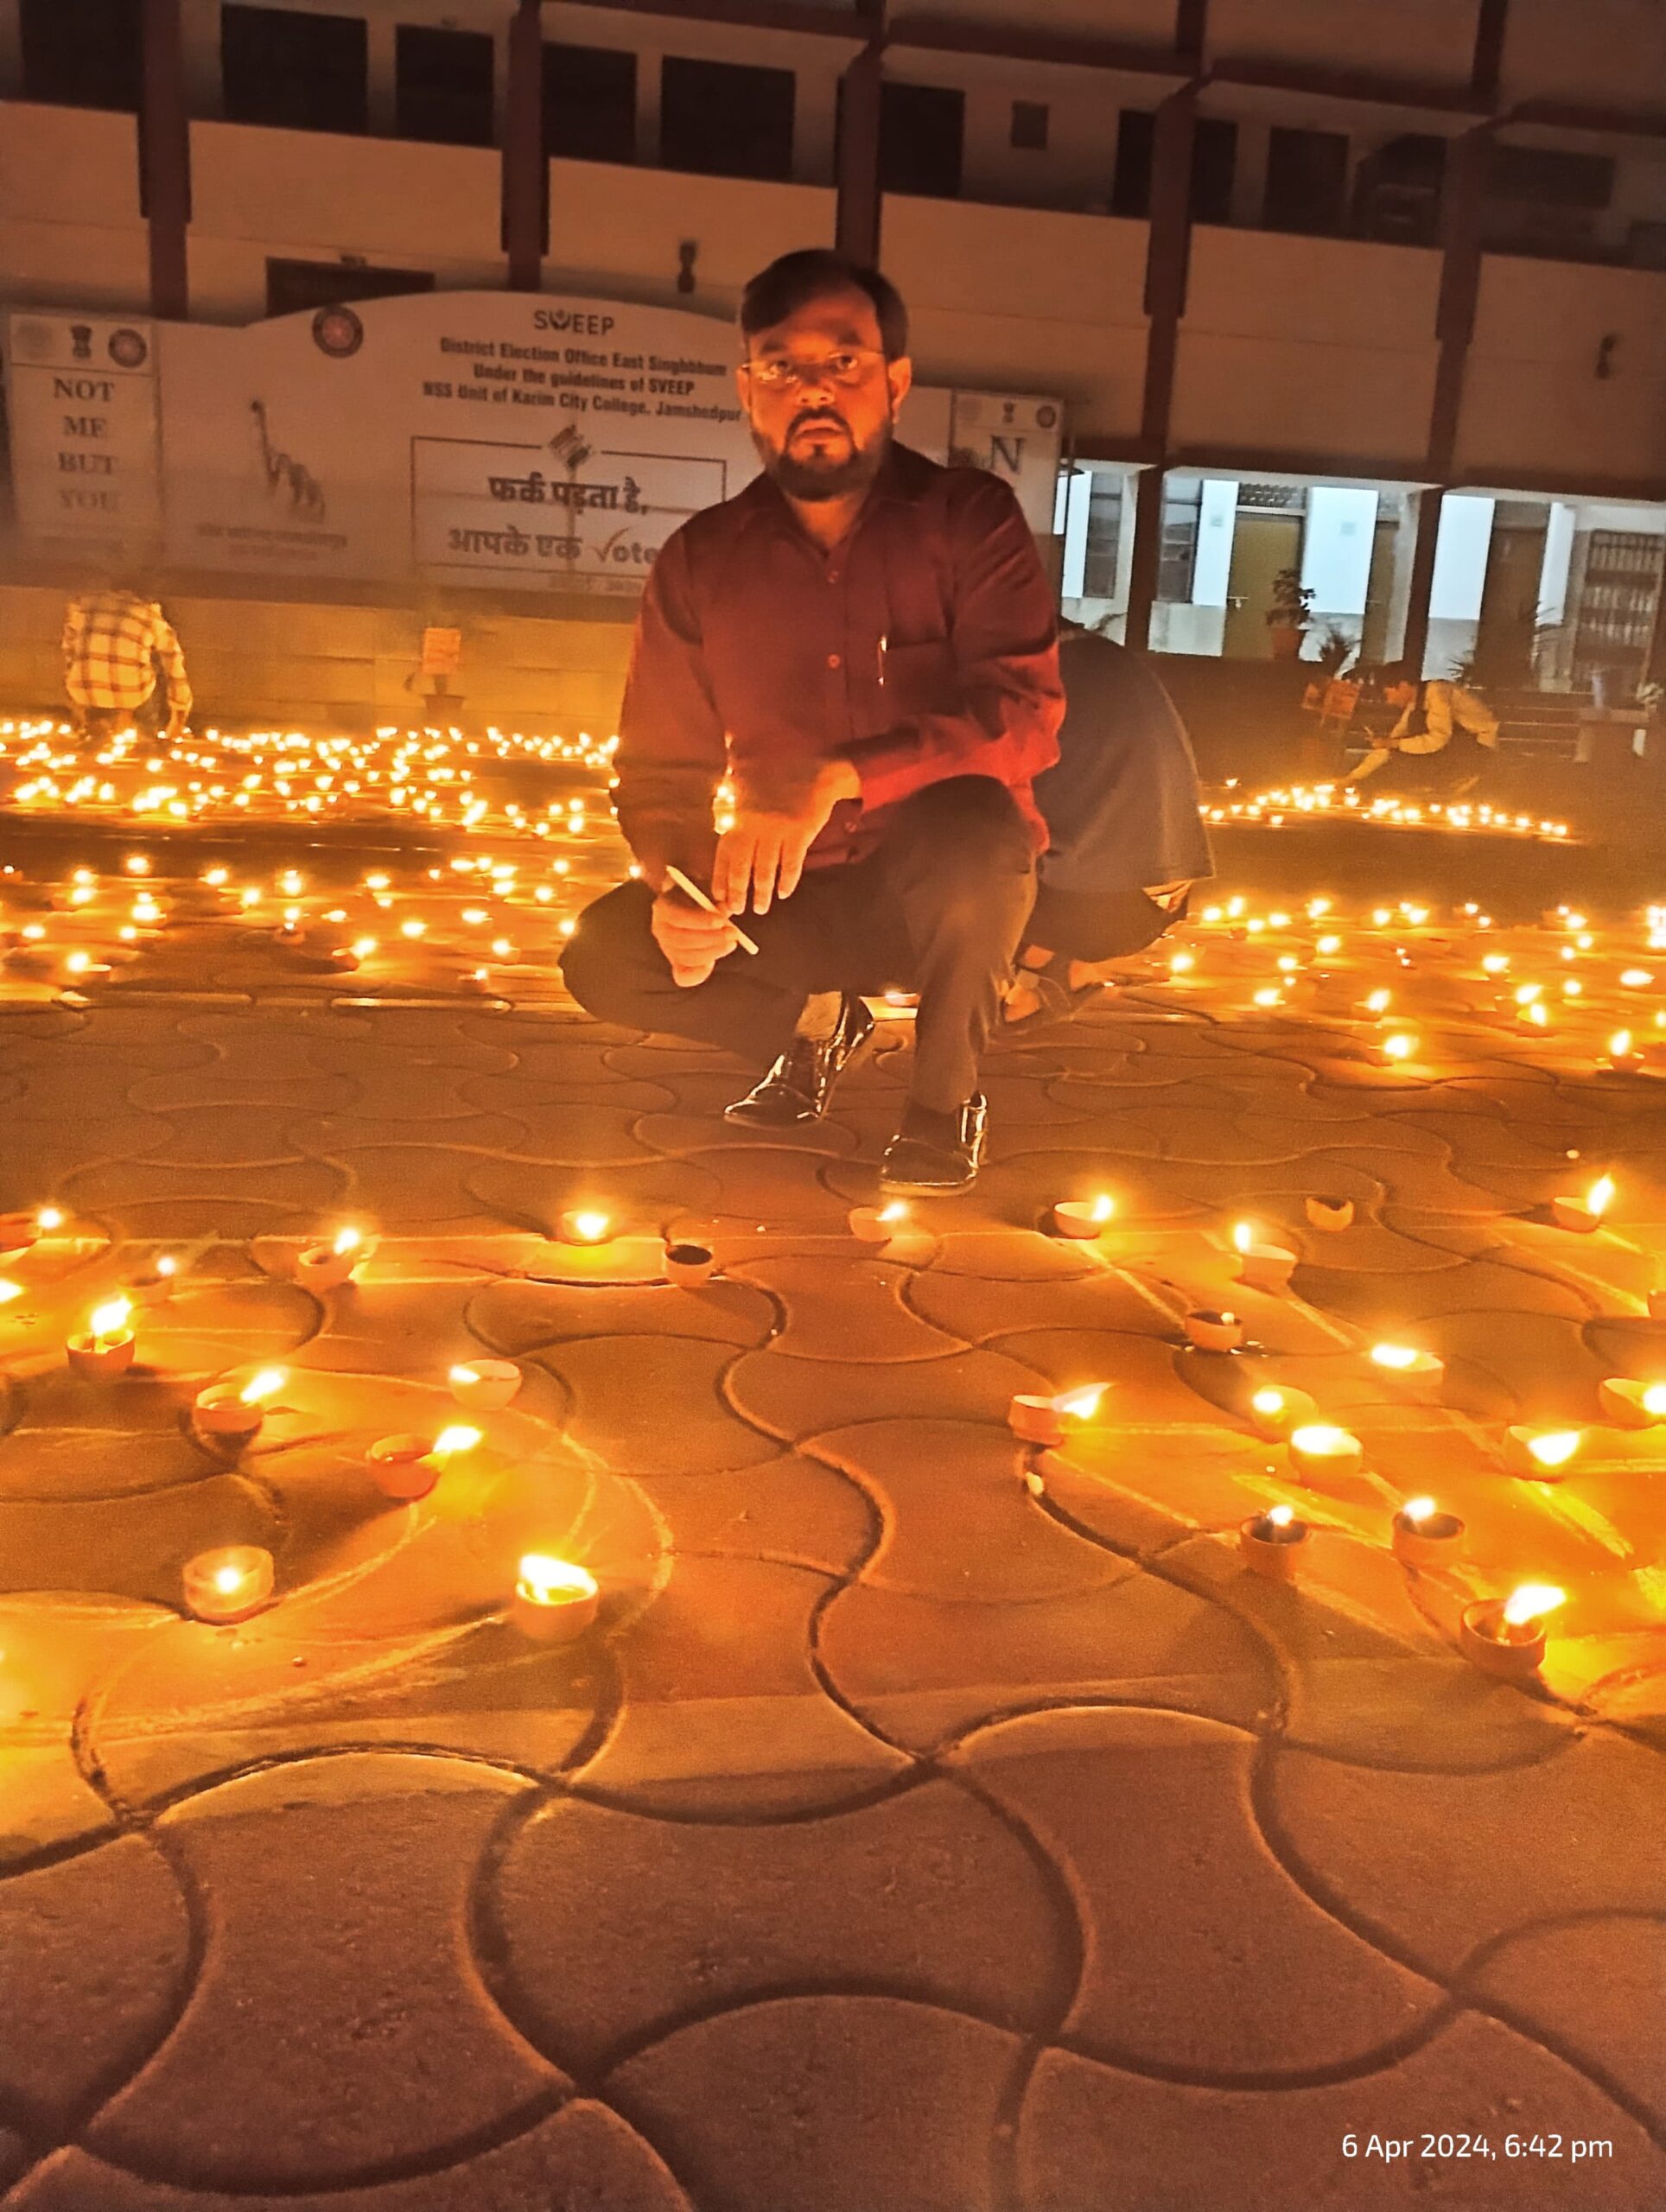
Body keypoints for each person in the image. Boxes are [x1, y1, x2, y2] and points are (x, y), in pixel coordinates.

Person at [560, 247, 1064, 1194]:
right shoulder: (701, 561)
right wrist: (675, 885)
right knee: (603, 957)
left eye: (844, 362)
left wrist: (837, 775)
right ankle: (816, 1020)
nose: (814, 390)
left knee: (978, 842)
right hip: (783, 898)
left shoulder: (966, 520)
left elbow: (1024, 717)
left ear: (894, 383)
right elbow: (659, 766)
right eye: (782, 366)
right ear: (748, 389)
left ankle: (942, 1100)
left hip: (932, 886)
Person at [1002, 622, 1213, 1030]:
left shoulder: (1027, 676)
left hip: (1101, 908)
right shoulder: (1101, 657)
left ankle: (1042, 962)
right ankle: (1054, 959)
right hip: (1163, 892)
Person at [62, 582, 192, 743]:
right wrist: (179, 714)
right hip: (132, 694)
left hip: (82, 692)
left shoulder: (84, 606)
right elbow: (173, 660)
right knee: (154, 659)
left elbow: (70, 652)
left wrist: (78, 693)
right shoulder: (149, 614)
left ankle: (92, 726)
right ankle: (147, 731)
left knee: (90, 657)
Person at [1345, 661, 1498, 795]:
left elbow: (1438, 739)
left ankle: (1459, 780)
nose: (1389, 701)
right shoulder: (1414, 704)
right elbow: (1391, 743)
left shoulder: (1438, 693)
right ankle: (1435, 784)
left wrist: (1394, 744)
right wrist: (1353, 777)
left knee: (1407, 744)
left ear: (1403, 685)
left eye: (1388, 694)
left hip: (1478, 746)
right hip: (1458, 744)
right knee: (1402, 745)